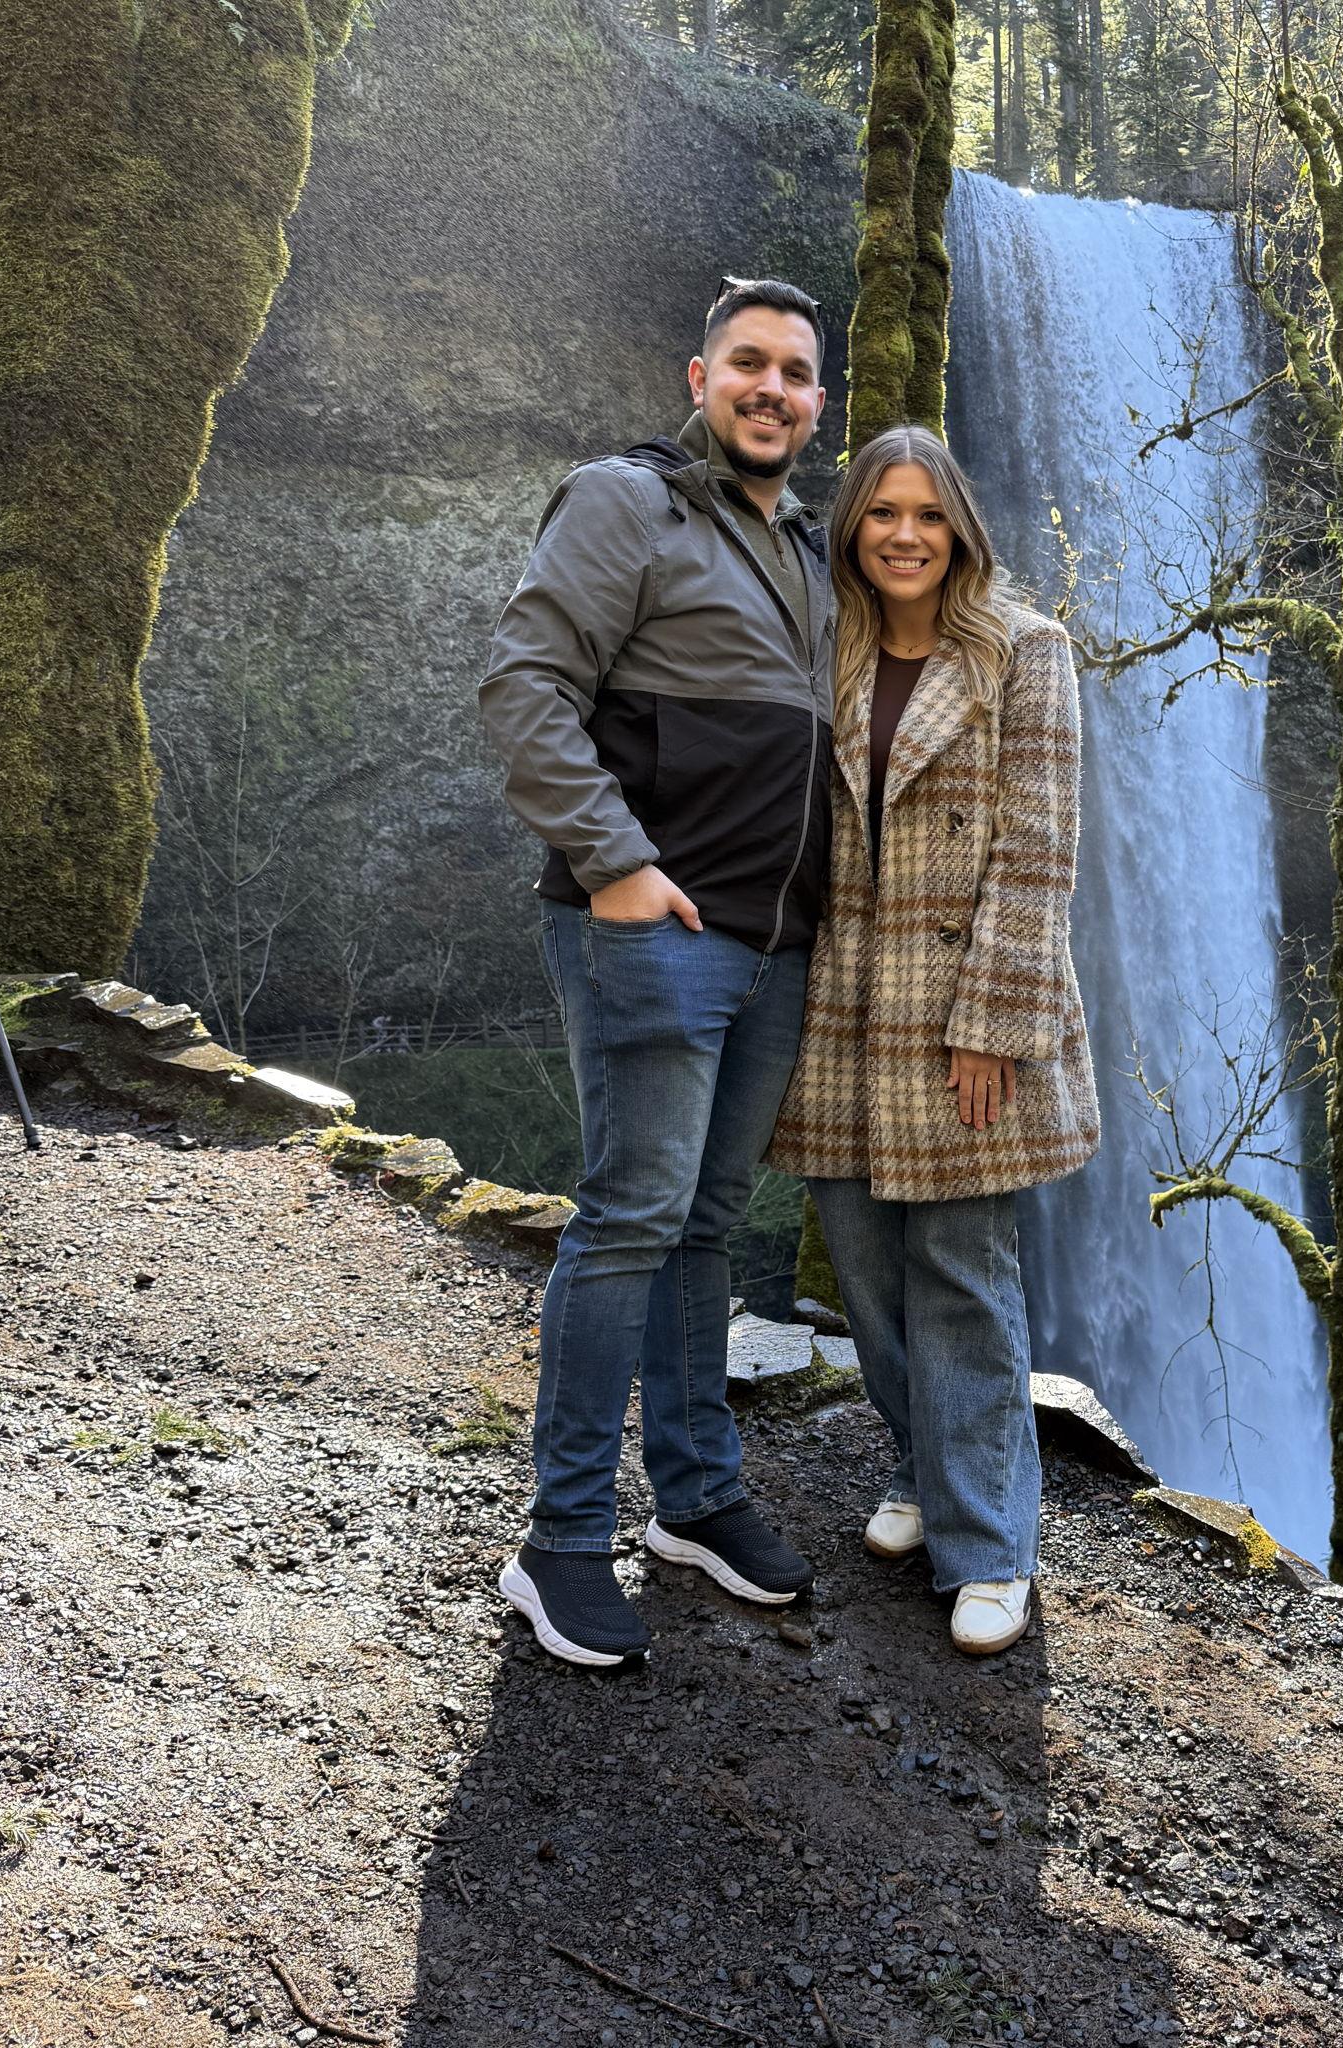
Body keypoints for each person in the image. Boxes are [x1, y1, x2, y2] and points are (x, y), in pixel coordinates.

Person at [477, 278, 835, 1667]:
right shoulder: (628, 502)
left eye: (796, 374)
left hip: (775, 943)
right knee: (630, 1216)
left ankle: (694, 1500)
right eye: (748, 364)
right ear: (700, 376)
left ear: (816, 403)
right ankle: (560, 1540)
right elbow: (524, 688)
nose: (771, 389)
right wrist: (618, 864)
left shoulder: (807, 544)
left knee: (706, 1222)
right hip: (652, 930)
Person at [768, 425, 1099, 1656]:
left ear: (959, 526)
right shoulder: (828, 645)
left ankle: (989, 1543)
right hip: (842, 1009)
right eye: (878, 513)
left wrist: (994, 1030)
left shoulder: (1024, 651)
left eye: (926, 513)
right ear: (850, 528)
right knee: (864, 1268)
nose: (903, 534)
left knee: (961, 1274)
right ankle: (919, 1469)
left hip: (965, 1013)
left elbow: (1037, 854)